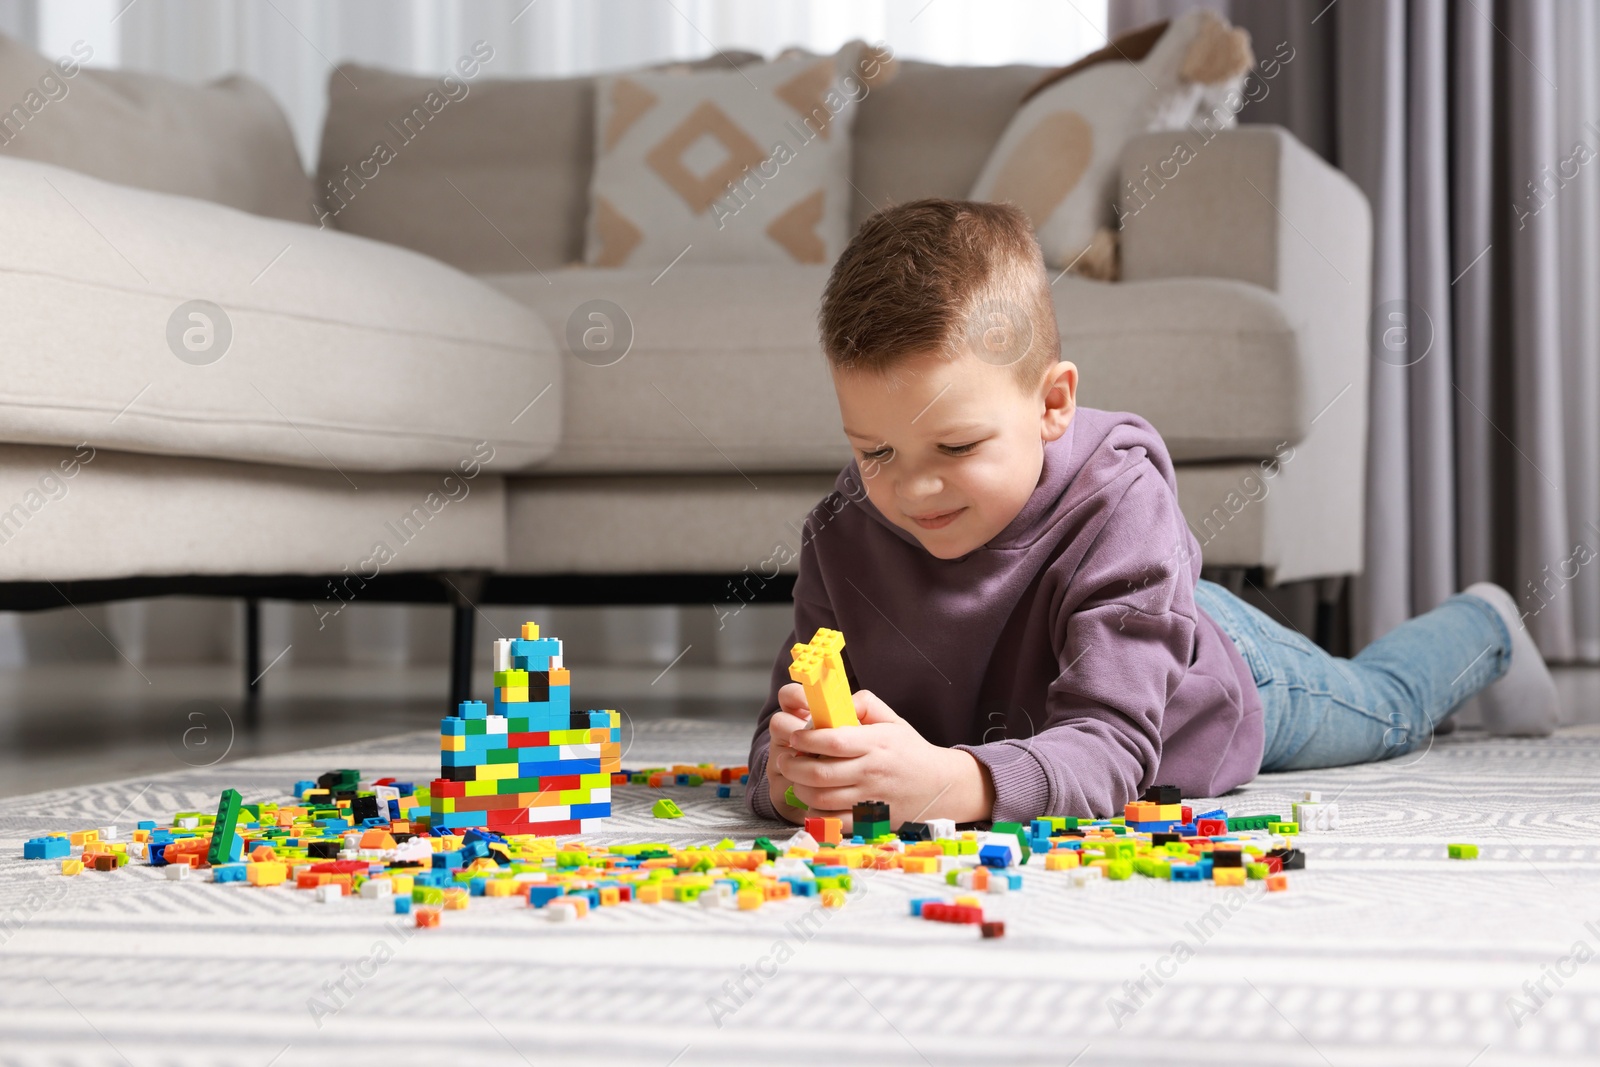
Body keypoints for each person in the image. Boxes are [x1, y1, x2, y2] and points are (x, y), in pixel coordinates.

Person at [747, 198, 1557, 828]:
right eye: (876, 452)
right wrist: (791, 778)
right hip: (1056, 689)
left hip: (1207, 673)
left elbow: (1113, 750)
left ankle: (1481, 624)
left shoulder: (1118, 504)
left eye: (956, 448)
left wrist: (954, 782)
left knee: (1385, 708)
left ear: (1054, 402)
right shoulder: (842, 532)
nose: (912, 490)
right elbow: (777, 730)